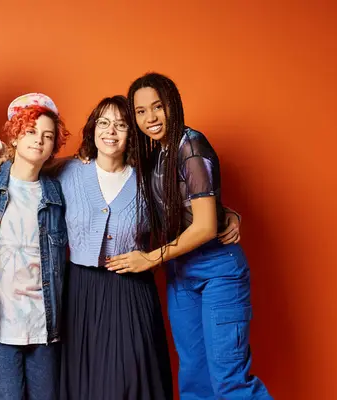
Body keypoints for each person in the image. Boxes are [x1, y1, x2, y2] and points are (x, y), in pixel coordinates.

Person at [57, 94, 241, 399]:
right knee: (84, 383)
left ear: (133, 133)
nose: (110, 131)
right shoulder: (67, 172)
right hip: (81, 292)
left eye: (121, 125)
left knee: (134, 380)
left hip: (132, 290)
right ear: (92, 129)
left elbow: (191, 203)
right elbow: (26, 173)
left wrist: (228, 214)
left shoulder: (150, 176)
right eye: (103, 123)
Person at [106, 72, 272, 399]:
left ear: (173, 105)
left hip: (217, 271)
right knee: (194, 379)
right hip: (180, 274)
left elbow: (206, 226)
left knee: (229, 378)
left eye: (158, 106)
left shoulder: (192, 146)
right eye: (140, 111)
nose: (150, 118)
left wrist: (150, 258)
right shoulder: (155, 154)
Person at [0, 93, 70, 400]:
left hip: (44, 323)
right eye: (30, 131)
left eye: (48, 136)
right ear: (14, 137)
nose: (39, 141)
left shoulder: (56, 191)